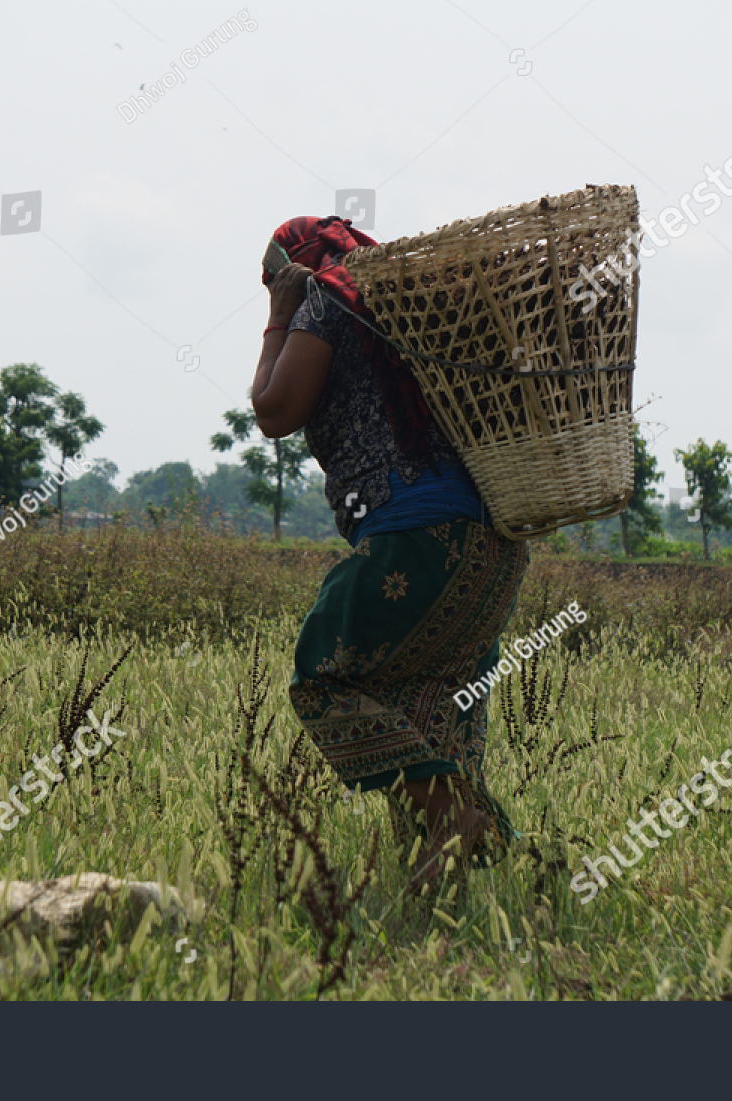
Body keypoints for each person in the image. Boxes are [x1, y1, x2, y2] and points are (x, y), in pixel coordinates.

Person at [251, 214, 529, 889]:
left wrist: (279, 312)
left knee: (323, 673)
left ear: (296, 267)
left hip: (414, 540)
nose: (271, 291)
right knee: (433, 727)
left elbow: (274, 410)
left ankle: (464, 819)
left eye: (270, 277)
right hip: (493, 550)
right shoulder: (406, 309)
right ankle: (445, 920)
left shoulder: (325, 301)